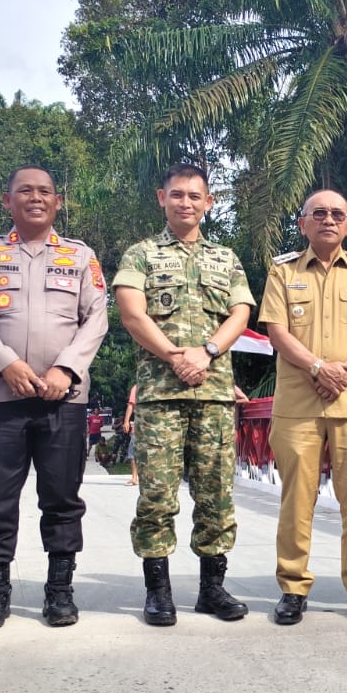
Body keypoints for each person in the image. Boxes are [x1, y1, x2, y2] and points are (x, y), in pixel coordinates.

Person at [0, 166, 108, 630]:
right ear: (8, 201)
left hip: (63, 399)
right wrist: (6, 364)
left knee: (62, 500)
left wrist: (65, 369)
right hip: (2, 398)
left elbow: (96, 317)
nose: (35, 198)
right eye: (25, 191)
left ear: (57, 202)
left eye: (45, 192)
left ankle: (59, 592)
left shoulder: (81, 257)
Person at [114, 162, 256, 625]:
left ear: (209, 202)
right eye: (177, 195)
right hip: (162, 394)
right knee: (157, 496)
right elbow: (133, 315)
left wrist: (208, 351)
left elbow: (240, 313)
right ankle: (158, 591)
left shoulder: (226, 258)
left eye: (195, 196)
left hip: (214, 394)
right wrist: (177, 357)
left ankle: (212, 589)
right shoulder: (141, 255)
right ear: (162, 198)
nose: (186, 203)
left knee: (216, 495)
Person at [259, 189, 347, 626]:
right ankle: (294, 587)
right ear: (303, 224)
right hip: (299, 402)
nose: (329, 220)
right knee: (297, 499)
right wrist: (319, 367)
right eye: (319, 213)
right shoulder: (282, 273)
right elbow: (277, 331)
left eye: (338, 213)